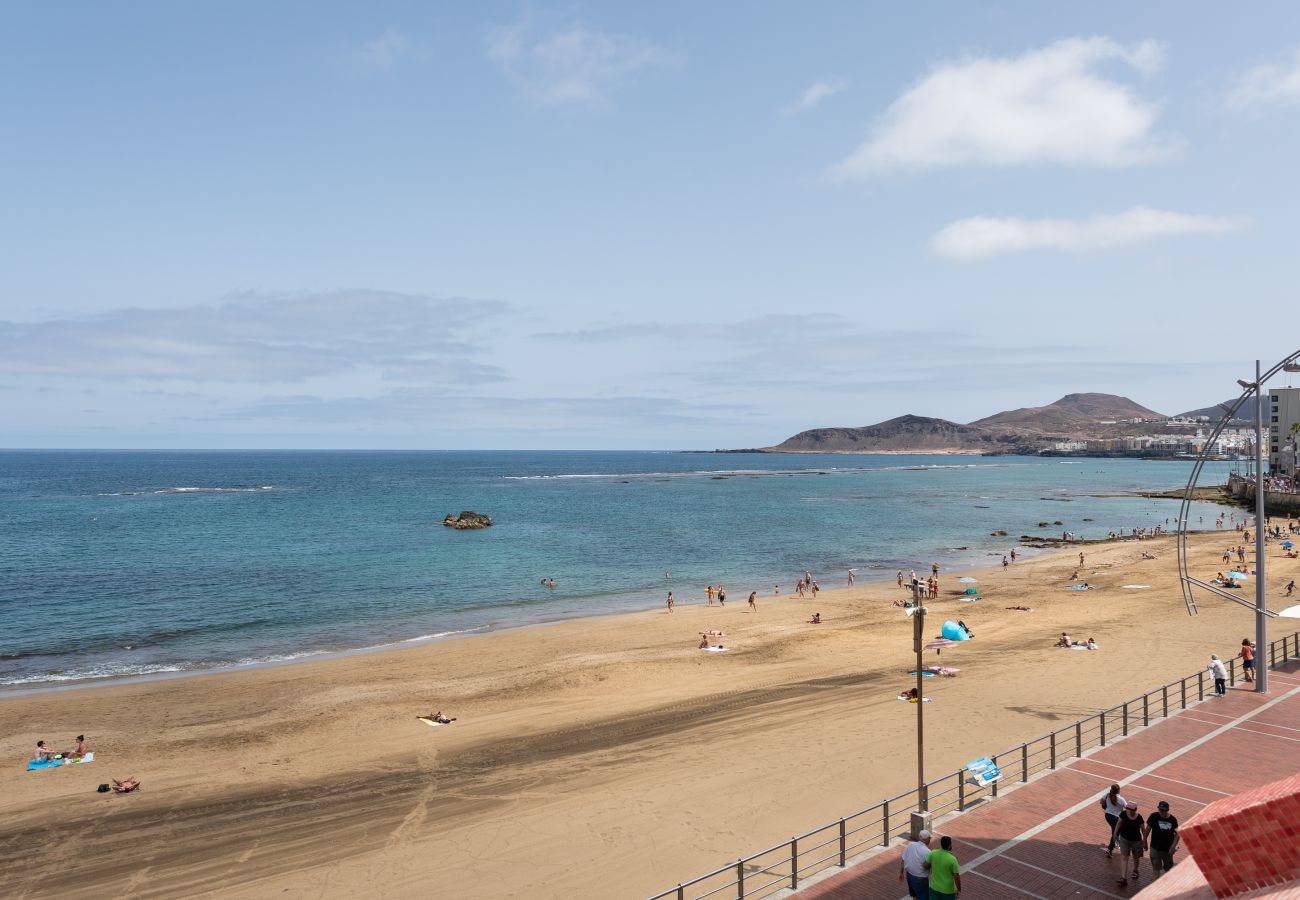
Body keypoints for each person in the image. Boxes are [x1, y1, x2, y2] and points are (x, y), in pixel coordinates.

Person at [1112, 800, 1147, 886]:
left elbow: (1143, 831)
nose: (1129, 811)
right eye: (1128, 809)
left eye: (1131, 809)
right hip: (1124, 840)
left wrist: (1145, 842)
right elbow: (1119, 824)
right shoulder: (1123, 814)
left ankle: (1135, 870)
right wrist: (1115, 834)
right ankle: (1123, 878)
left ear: (1135, 809)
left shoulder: (1139, 818)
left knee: (1136, 857)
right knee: (1124, 858)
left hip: (1136, 841)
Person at [1146, 801, 1179, 877]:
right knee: (1156, 867)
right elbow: (1148, 828)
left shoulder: (1173, 820)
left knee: (1168, 868)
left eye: (1163, 810)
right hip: (1155, 847)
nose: (1161, 812)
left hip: (1167, 850)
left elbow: (1177, 834)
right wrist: (1144, 840)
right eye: (1160, 810)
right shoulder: (1153, 816)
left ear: (1167, 810)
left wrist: (1173, 847)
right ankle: (1156, 884)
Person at [923, 835, 961, 900]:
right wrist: (958, 889)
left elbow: (925, 866)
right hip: (947, 890)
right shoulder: (953, 859)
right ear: (949, 845)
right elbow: (956, 876)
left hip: (934, 887)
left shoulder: (933, 853)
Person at [898, 829, 931, 899]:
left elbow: (903, 859)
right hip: (920, 879)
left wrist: (901, 873)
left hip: (909, 876)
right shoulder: (927, 852)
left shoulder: (910, 845)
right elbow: (927, 866)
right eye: (929, 838)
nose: (930, 839)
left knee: (914, 896)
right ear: (926, 839)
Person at [1100, 783, 1126, 857]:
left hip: (1108, 816)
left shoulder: (1107, 795)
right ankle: (1110, 849)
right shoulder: (1121, 799)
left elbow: (1101, 802)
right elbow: (1128, 808)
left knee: (1115, 830)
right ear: (1118, 791)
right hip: (1117, 818)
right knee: (1116, 831)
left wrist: (1107, 806)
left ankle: (1116, 844)